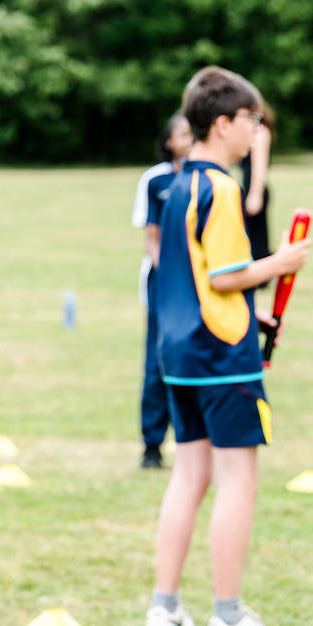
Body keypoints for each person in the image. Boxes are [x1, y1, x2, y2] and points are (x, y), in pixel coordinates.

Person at [144, 66, 310, 626]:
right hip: (222, 359)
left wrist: (247, 309)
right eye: (251, 119)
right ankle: (229, 620)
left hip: (180, 352)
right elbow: (225, 273)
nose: (256, 130)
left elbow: (194, 277)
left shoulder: (177, 185)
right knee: (239, 480)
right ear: (222, 123)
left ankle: (164, 610)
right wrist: (282, 262)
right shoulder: (221, 187)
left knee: (189, 476)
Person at [131, 113, 193, 468]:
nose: (189, 139)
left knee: (192, 360)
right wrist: (172, 274)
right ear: (168, 141)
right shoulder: (156, 180)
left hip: (200, 283)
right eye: (182, 133)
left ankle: (192, 441)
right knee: (157, 361)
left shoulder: (210, 179)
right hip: (164, 282)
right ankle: (152, 444)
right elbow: (151, 238)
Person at [240, 101, 276, 264]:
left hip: (256, 190)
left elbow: (260, 166)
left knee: (258, 239)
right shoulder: (251, 133)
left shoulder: (260, 132)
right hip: (249, 189)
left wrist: (255, 195)